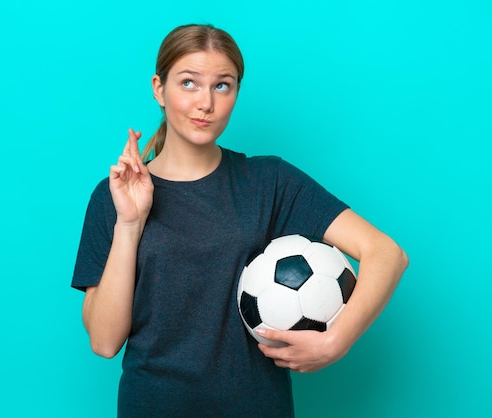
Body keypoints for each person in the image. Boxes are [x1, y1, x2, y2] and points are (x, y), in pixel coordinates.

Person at [72, 23, 408, 417]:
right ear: (159, 89)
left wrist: (337, 341)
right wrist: (130, 223)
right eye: (189, 83)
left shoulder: (268, 181)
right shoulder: (113, 196)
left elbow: (386, 253)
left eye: (222, 86)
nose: (205, 104)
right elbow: (104, 342)